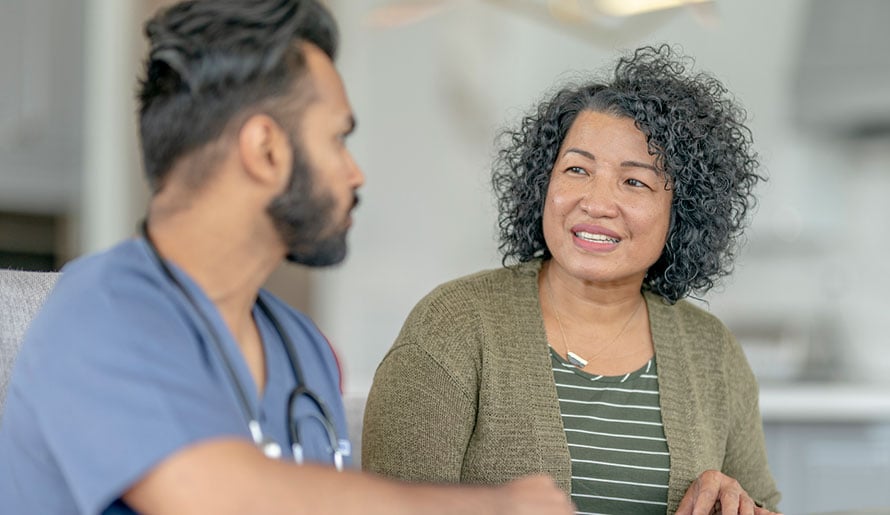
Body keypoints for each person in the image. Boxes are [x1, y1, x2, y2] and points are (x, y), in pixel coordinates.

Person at [0, 1, 576, 514]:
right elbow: (216, 498)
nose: (356, 173)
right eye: (337, 139)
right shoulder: (99, 311)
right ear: (266, 149)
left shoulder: (302, 348)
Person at [362, 44, 782, 515]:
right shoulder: (454, 326)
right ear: (544, 184)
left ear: (681, 213)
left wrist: (741, 507)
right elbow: (387, 505)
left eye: (634, 181)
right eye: (577, 169)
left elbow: (764, 504)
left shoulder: (713, 352)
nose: (596, 202)